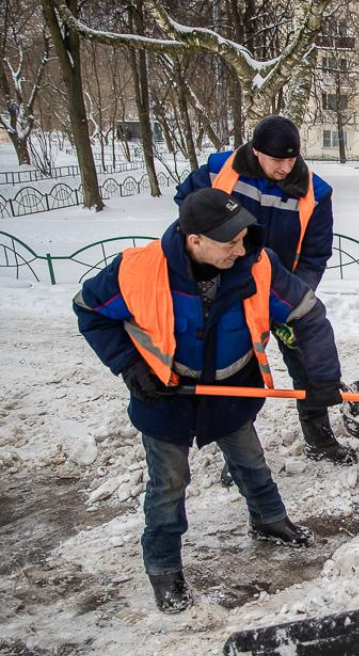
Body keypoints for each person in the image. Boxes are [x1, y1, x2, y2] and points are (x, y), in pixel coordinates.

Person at [73, 188, 344, 614]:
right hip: (164, 394)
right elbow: (89, 310)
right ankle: (163, 566)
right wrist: (130, 366)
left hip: (233, 387)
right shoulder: (137, 270)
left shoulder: (257, 265)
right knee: (170, 483)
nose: (240, 250)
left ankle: (268, 518)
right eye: (230, 242)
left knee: (250, 459)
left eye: (243, 239)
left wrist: (323, 378)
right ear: (194, 239)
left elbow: (306, 313)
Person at [175, 115, 357, 467]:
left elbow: (316, 254)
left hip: (279, 289)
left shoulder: (315, 193)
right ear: (256, 152)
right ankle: (240, 456)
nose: (286, 167)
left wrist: (295, 304)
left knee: (305, 363)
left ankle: (319, 439)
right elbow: (187, 206)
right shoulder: (219, 170)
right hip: (227, 288)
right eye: (277, 160)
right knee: (237, 370)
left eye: (292, 159)